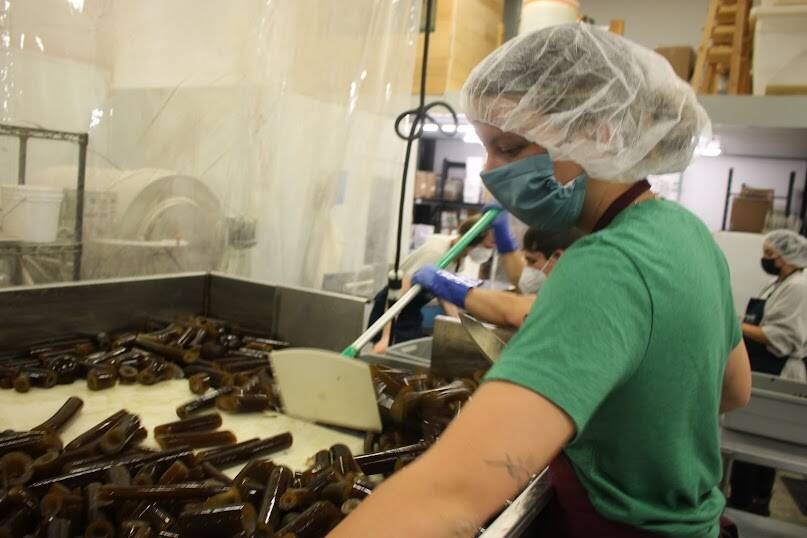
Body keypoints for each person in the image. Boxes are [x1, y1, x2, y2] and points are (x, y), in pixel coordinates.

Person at [332, 23, 750, 537]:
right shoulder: (690, 234)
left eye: (508, 146)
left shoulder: (605, 265)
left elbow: (449, 497)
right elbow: (734, 390)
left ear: (598, 132)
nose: (489, 170)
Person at [728, 229, 807, 515]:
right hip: (764, 366)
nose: (766, 258)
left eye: (770, 254)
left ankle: (751, 502)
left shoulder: (798, 286)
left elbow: (780, 337)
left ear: (787, 256)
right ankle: (748, 497)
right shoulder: (779, 283)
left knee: (761, 439)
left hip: (780, 369)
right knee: (751, 435)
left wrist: (733, 324)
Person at [369, 211, 521, 353]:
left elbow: (444, 295)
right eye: (490, 244)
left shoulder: (458, 257)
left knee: (408, 352)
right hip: (392, 309)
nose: (491, 249)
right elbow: (400, 293)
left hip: (411, 310)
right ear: (475, 239)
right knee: (386, 354)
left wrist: (461, 327)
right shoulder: (438, 252)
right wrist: (386, 337)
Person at [415, 226, 581, 328]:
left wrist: (449, 286)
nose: (527, 270)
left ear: (558, 256)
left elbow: (515, 310)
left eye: (532, 260)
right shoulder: (564, 281)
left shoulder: (578, 290)